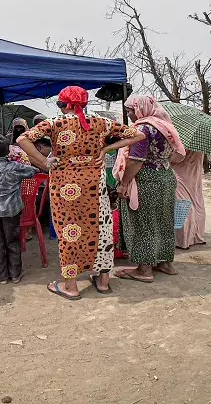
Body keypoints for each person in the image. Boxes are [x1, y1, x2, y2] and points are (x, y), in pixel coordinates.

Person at [17, 85, 144, 300]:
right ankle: (103, 282)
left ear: (64, 104)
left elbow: (22, 140)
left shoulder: (55, 122)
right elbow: (138, 134)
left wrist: (45, 163)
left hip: (65, 185)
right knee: (100, 228)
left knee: (70, 230)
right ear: (84, 103)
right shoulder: (101, 122)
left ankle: (71, 286)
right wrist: (106, 149)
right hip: (95, 184)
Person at [113, 95, 186, 283]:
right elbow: (175, 155)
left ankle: (144, 270)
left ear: (140, 109)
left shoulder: (141, 129)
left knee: (142, 222)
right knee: (163, 220)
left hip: (145, 180)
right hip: (166, 177)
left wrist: (123, 184)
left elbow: (136, 161)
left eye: (130, 110)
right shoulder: (166, 126)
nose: (129, 114)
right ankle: (165, 263)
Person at [0, 136, 36, 284]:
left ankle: (1, 277)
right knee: (13, 241)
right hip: (12, 210)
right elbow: (32, 171)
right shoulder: (15, 167)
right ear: (8, 151)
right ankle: (15, 274)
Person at [173, 150, 207, 249]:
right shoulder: (201, 141)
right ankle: (198, 236)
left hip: (182, 174)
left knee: (183, 204)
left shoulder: (185, 139)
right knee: (197, 203)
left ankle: (184, 240)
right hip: (196, 172)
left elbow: (179, 157)